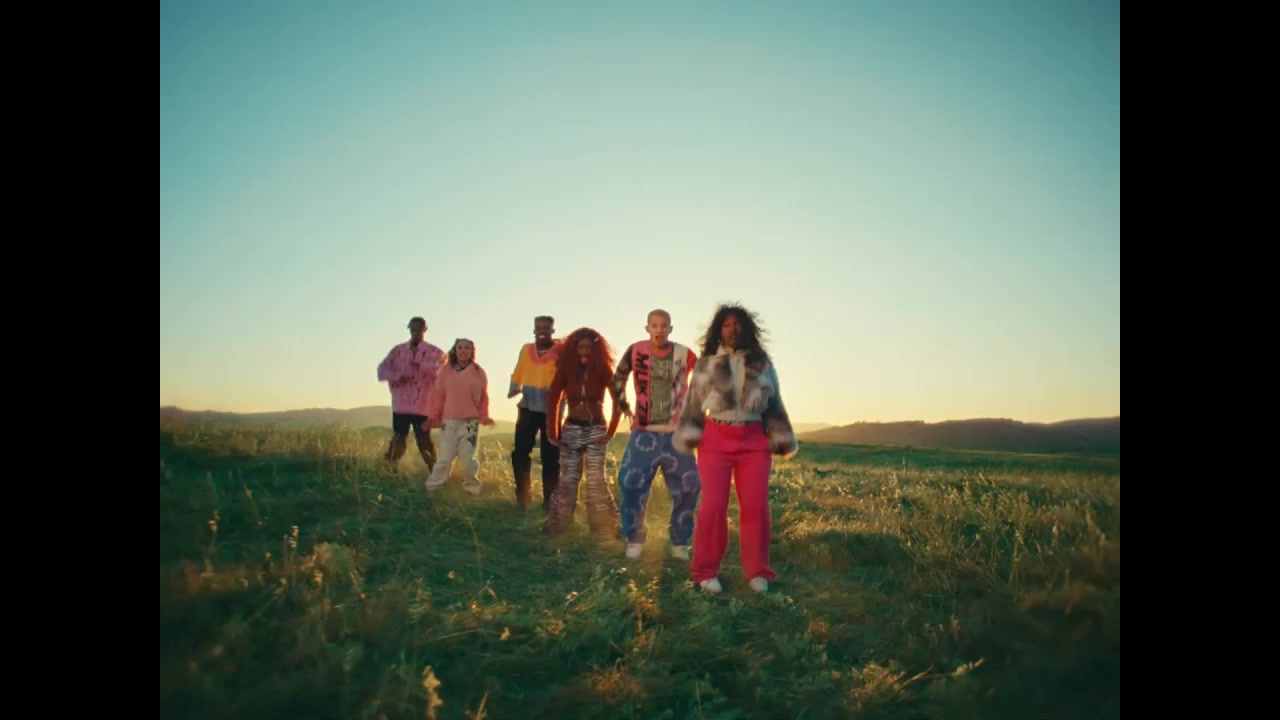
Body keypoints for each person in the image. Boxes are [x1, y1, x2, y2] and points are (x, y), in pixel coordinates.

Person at [673, 304, 798, 594]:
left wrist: (781, 436)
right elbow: (693, 403)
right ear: (719, 329)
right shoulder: (705, 364)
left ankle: (757, 572)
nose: (732, 329)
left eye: (737, 324)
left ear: (747, 329)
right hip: (715, 438)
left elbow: (775, 402)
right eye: (727, 325)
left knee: (755, 507)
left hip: (754, 441)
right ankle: (705, 572)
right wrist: (689, 435)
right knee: (712, 507)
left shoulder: (762, 363)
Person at [611, 309, 701, 560]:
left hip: (677, 435)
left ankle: (680, 541)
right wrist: (623, 405)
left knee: (689, 486)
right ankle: (634, 538)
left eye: (664, 326)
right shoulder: (636, 350)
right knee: (630, 483)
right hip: (644, 433)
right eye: (655, 325)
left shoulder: (684, 353)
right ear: (647, 328)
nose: (659, 330)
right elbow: (618, 377)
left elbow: (703, 378)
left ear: (670, 329)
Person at [543, 327, 623, 539]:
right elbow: (553, 400)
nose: (585, 352)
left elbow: (618, 401)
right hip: (572, 429)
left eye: (589, 348)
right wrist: (553, 433)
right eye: (581, 348)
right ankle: (557, 527)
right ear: (574, 350)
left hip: (596, 428)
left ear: (597, 350)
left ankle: (605, 528)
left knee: (596, 480)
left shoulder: (603, 371)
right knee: (568, 479)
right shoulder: (566, 370)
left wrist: (610, 432)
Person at [424, 338, 495, 495]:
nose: (463, 351)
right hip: (449, 422)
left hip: (470, 423)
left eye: (467, 348)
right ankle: (432, 487)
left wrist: (484, 416)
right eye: (460, 347)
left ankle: (472, 488)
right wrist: (433, 416)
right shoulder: (445, 371)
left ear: (472, 351)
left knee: (469, 459)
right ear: (455, 350)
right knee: (445, 457)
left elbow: (483, 397)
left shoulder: (478, 372)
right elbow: (438, 395)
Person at [377, 316, 446, 473]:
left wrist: (423, 366)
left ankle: (435, 471)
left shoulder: (435, 352)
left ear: (424, 330)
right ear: (409, 329)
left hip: (424, 404)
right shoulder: (398, 351)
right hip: (401, 404)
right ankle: (390, 469)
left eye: (418, 329)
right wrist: (398, 375)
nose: (415, 332)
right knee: (399, 437)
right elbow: (382, 370)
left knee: (424, 440)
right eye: (412, 329)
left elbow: (443, 372)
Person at [508, 315, 563, 509]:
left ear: (552, 330)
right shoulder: (526, 349)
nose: (542, 331)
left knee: (551, 457)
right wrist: (514, 387)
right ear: (533, 330)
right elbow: (519, 370)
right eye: (538, 327)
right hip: (528, 407)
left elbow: (567, 376)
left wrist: (558, 393)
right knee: (520, 452)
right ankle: (523, 495)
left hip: (551, 411)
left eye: (546, 328)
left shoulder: (561, 350)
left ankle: (550, 500)